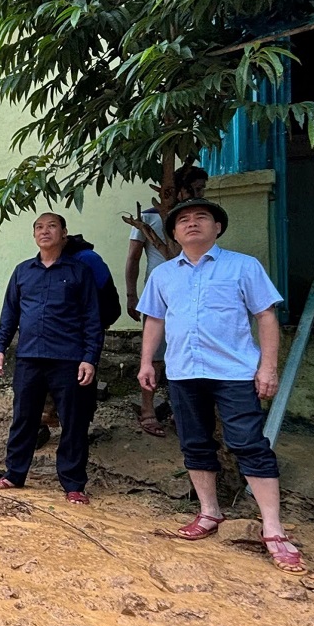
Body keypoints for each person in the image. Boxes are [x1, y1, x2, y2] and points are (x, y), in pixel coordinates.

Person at [137, 198, 306, 575]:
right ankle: (209, 512)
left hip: (234, 372)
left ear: (217, 228)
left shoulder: (243, 267)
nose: (191, 223)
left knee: (249, 443)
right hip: (183, 373)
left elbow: (265, 315)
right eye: (183, 220)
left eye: (201, 218)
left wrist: (268, 367)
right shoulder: (164, 275)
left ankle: (274, 529)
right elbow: (154, 322)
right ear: (174, 232)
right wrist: (147, 362)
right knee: (194, 442)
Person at [0, 213, 103, 504]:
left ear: (64, 233)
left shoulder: (79, 271)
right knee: (24, 419)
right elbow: (10, 313)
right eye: (39, 227)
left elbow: (92, 318)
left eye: (52, 226)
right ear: (34, 235)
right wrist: (0, 346)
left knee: (73, 422)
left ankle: (73, 484)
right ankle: (14, 474)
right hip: (29, 357)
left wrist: (90, 357)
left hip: (69, 358)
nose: (45, 231)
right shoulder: (23, 271)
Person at [124, 165, 209, 436]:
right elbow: (133, 259)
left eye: (202, 190)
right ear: (179, 190)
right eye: (194, 190)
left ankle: (181, 411)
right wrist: (131, 294)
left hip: (194, 296)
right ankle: (148, 410)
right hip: (159, 296)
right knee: (155, 356)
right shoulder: (151, 218)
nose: (198, 195)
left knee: (189, 353)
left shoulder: (199, 220)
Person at [36, 232, 120, 449]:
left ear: (63, 237)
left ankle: (76, 432)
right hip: (54, 334)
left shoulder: (87, 259)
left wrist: (97, 325)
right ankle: (43, 426)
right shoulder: (46, 260)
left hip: (83, 333)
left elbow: (107, 297)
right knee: (45, 382)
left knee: (81, 383)